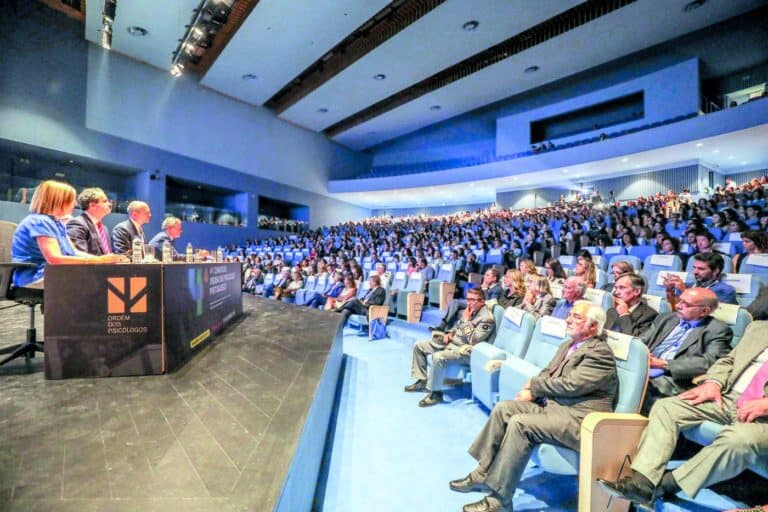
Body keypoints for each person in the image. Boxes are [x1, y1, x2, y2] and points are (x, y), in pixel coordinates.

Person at [450, 301, 618, 512]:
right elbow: (547, 372)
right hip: (555, 409)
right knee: (504, 409)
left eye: (577, 317)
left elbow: (571, 385)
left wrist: (533, 386)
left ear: (593, 327)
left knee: (521, 424)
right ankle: (482, 473)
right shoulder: (568, 345)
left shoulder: (600, 353)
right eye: (570, 315)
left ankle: (500, 500)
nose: (568, 319)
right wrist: (533, 388)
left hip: (579, 421)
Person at [598, 320, 768, 511]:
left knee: (739, 440)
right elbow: (729, 361)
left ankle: (667, 485)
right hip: (729, 398)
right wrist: (714, 382)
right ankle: (642, 483)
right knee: (667, 407)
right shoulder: (759, 328)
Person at [11, 180, 126, 288]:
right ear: (58, 201)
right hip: (36, 277)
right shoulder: (40, 221)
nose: (74, 204)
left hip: (55, 274)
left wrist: (105, 260)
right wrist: (99, 261)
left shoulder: (56, 223)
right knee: (99, 285)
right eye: (71, 200)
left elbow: (74, 252)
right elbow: (55, 259)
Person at [639, 287, 732, 413]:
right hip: (644, 365)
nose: (677, 306)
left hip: (673, 378)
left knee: (638, 385)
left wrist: (663, 364)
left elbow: (710, 362)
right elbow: (641, 340)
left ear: (704, 311)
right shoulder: (666, 318)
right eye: (679, 300)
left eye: (686, 304)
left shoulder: (717, 330)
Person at [405, 287, 495, 407]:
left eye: (473, 300)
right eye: (468, 299)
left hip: (464, 351)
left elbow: (474, 340)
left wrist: (466, 321)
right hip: (451, 343)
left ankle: (435, 393)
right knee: (419, 346)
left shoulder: (487, 318)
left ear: (482, 301)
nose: (469, 303)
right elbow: (457, 327)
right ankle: (422, 380)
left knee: (438, 357)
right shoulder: (470, 310)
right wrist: (450, 333)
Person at [432, 268, 502, 332]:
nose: (484, 276)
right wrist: (481, 287)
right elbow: (474, 292)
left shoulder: (497, 289)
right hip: (473, 302)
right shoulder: (485, 285)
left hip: (479, 306)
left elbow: (490, 303)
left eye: (487, 275)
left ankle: (442, 326)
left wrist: (485, 289)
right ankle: (445, 327)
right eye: (485, 274)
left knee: (456, 303)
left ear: (494, 278)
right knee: (454, 302)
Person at [663, 252, 737, 307]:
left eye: (701, 269)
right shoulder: (688, 286)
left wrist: (684, 291)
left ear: (715, 271)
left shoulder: (725, 291)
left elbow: (712, 314)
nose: (695, 272)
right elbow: (674, 309)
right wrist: (669, 291)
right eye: (694, 268)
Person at [66, 187, 114, 255]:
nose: (110, 204)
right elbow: (78, 255)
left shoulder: (104, 228)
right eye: (104, 201)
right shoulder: (77, 224)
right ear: (92, 205)